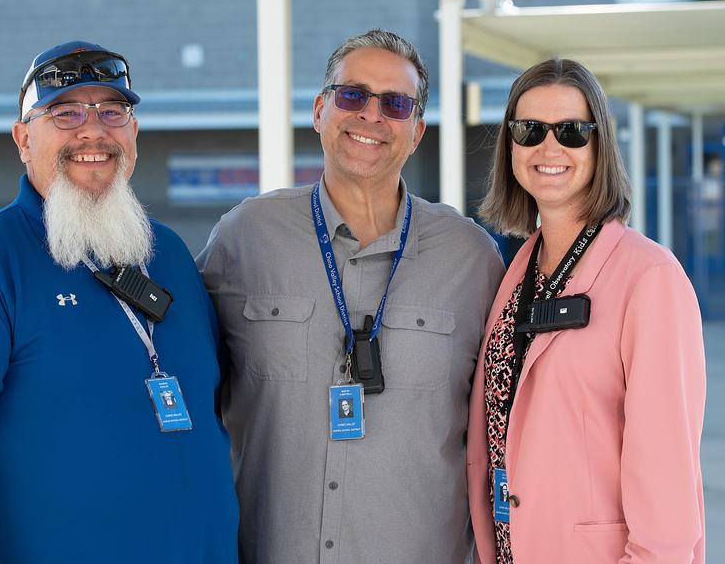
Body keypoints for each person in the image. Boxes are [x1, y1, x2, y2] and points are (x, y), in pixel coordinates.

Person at [197, 29, 504, 563]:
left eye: (395, 103)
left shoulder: (473, 258)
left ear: (416, 132)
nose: (371, 115)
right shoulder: (244, 238)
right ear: (320, 110)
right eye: (353, 95)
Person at [0, 41, 238, 564]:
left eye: (112, 112)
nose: (93, 131)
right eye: (65, 112)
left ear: (133, 133)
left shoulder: (168, 254)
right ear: (23, 138)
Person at [467, 58, 706, 563]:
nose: (548, 147)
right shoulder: (515, 272)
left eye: (572, 131)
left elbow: (667, 485)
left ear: (600, 145)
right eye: (529, 129)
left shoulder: (649, 279)